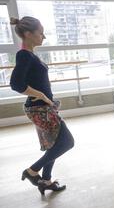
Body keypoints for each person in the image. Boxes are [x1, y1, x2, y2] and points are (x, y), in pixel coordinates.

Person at [9, 16, 74, 195]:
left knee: (53, 144)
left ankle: (45, 181)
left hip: (42, 108)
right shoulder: (24, 55)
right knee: (67, 142)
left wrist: (48, 100)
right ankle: (32, 171)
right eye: (40, 33)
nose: (43, 37)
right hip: (40, 109)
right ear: (28, 34)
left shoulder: (29, 54)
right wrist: (43, 96)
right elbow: (16, 84)